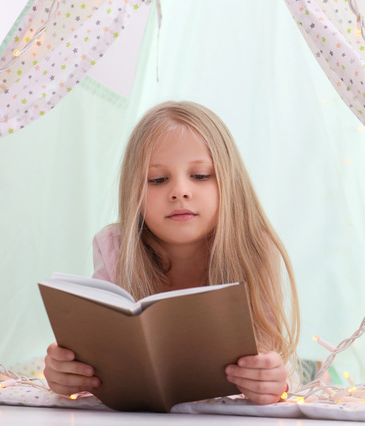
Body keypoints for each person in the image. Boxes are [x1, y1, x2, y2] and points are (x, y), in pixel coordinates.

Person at [43, 101, 301, 405]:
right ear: (134, 191)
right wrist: (65, 373)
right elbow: (91, 367)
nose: (180, 191)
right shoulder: (115, 246)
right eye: (157, 179)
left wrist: (275, 382)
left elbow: (275, 362)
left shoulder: (255, 249)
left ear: (229, 183)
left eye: (201, 175)